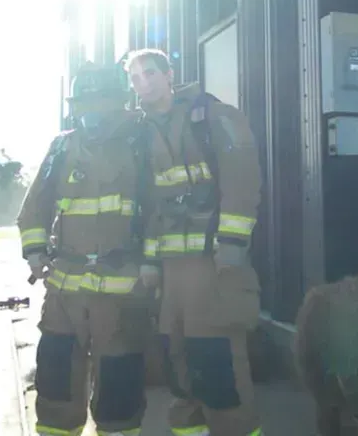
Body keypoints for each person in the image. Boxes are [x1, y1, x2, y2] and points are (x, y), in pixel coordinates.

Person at [124, 49, 263, 436]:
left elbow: (243, 181)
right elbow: (149, 204)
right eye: (135, 79)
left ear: (170, 74)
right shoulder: (141, 133)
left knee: (219, 367)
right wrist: (149, 262)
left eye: (150, 73)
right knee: (178, 367)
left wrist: (231, 248)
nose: (143, 83)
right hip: (170, 277)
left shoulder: (214, 117)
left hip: (213, 265)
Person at [18, 60, 150, 436]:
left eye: (103, 101)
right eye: (86, 103)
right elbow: (33, 210)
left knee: (119, 388)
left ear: (122, 102)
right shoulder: (61, 147)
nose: (94, 111)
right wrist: (35, 252)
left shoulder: (142, 144)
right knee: (56, 381)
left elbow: (160, 209)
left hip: (122, 293)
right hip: (64, 294)